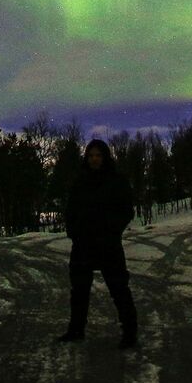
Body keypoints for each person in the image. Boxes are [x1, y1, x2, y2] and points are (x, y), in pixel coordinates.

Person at [57, 138, 138, 349]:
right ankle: (76, 330)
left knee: (119, 288)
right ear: (87, 158)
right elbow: (71, 210)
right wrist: (74, 232)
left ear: (105, 157)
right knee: (79, 290)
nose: (94, 159)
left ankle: (130, 333)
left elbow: (126, 211)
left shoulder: (116, 181)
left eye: (98, 155)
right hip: (83, 245)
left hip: (108, 245)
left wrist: (111, 230)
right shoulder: (80, 181)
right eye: (91, 156)